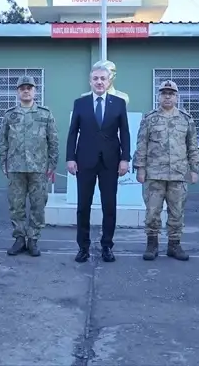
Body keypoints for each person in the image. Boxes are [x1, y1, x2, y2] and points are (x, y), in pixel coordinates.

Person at [65, 64, 131, 263]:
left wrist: (125, 158)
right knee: (83, 206)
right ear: (90, 81)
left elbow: (125, 133)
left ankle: (107, 247)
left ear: (110, 80)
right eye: (96, 78)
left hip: (110, 163)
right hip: (85, 161)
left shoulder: (119, 103)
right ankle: (83, 247)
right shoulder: (80, 103)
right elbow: (72, 132)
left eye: (103, 78)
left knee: (109, 206)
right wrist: (70, 157)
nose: (99, 82)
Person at [135, 79, 199, 261]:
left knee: (177, 212)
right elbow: (141, 145)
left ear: (177, 97)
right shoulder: (150, 119)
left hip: (178, 175)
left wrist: (194, 169)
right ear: (159, 96)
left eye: (171, 94)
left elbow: (192, 146)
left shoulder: (186, 119)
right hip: (154, 174)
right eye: (164, 93)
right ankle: (152, 244)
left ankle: (174, 245)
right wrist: (140, 169)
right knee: (152, 212)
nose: (167, 96)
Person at [0, 75, 59, 257]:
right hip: (15, 167)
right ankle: (19, 239)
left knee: (38, 205)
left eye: (29, 88)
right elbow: (3, 141)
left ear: (35, 91)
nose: (26, 90)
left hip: (38, 168)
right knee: (16, 205)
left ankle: (33, 239)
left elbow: (53, 140)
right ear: (17, 92)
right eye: (22, 88)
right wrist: (3, 162)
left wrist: (52, 164)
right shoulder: (10, 114)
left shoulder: (45, 114)